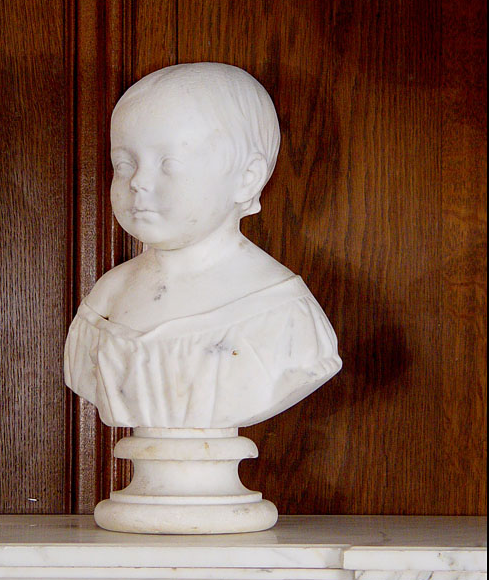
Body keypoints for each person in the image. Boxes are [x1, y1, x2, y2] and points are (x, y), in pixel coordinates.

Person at [64, 62, 341, 429]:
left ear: (247, 177)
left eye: (169, 164)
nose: (138, 182)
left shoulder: (282, 314)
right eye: (125, 163)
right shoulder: (106, 300)